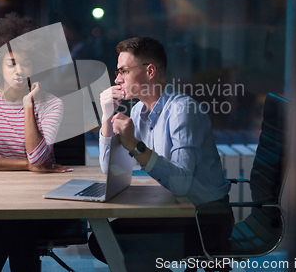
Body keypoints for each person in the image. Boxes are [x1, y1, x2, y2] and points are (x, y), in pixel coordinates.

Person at [89, 37, 233, 271]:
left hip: (206, 218)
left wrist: (135, 145)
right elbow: (109, 169)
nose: (117, 79)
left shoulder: (182, 111)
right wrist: (107, 116)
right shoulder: (138, 110)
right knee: (101, 242)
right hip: (174, 208)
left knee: (119, 247)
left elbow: (182, 184)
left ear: (150, 71)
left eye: (123, 71)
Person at [0, 13, 74, 272]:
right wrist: (27, 166)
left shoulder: (51, 104)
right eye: (11, 63)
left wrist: (27, 105)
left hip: (43, 202)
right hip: (2, 201)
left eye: (26, 64)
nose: (19, 71)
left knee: (9, 231)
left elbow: (39, 159)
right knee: (18, 233)